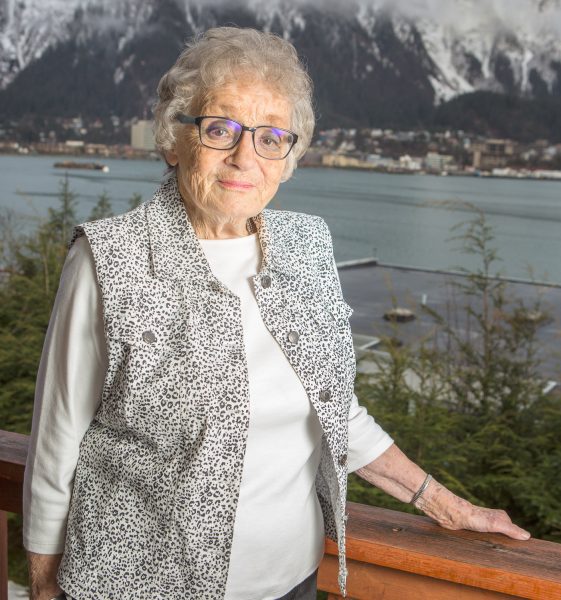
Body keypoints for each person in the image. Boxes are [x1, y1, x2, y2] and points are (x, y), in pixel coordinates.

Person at [23, 27, 530, 600]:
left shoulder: (306, 246)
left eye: (270, 138)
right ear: (173, 139)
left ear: (288, 157)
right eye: (220, 129)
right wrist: (43, 584)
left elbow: (336, 412)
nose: (245, 157)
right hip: (143, 585)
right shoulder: (111, 259)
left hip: (292, 581)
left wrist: (447, 505)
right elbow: (56, 439)